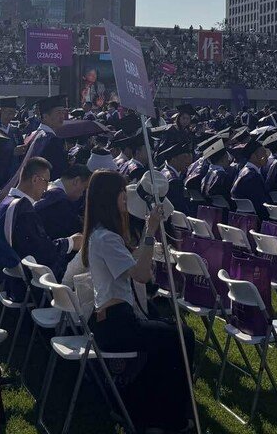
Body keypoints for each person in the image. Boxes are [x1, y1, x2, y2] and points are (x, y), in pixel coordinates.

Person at [82, 170, 195, 433]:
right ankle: (171, 418)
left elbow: (130, 266)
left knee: (166, 335)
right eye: (122, 193)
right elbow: (142, 275)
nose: (125, 198)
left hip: (109, 319)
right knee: (182, 336)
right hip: (116, 323)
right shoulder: (106, 237)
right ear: (111, 197)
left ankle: (150, 410)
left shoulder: (99, 234)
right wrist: (150, 230)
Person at [0, 156, 81, 288]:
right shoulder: (23, 209)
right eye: (46, 182)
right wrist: (70, 242)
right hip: (23, 284)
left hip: (5, 274)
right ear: (35, 179)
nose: (47, 188)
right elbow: (41, 251)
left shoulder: (6, 202)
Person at [34, 162, 91, 241]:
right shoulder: (60, 202)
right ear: (76, 181)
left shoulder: (47, 188)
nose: (82, 194)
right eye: (84, 188)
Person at [230, 139, 271, 220]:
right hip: (254, 219)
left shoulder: (243, 171)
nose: (266, 156)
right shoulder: (252, 177)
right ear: (253, 156)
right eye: (263, 153)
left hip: (242, 216)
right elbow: (260, 205)